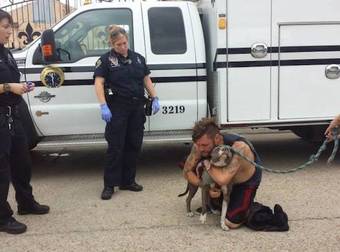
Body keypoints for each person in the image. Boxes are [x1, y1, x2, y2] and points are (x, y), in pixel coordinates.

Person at [94, 25, 159, 200]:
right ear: (112, 44)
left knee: (133, 145)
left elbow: (146, 78)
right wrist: (103, 105)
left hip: (137, 108)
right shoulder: (105, 61)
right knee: (115, 147)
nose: (122, 47)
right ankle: (109, 185)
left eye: (124, 43)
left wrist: (155, 97)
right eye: (118, 45)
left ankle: (128, 181)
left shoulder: (138, 59)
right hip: (117, 109)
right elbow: (99, 83)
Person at [0, 9, 49, 235]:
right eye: (5, 27)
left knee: (23, 162)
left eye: (10, 26)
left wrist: (22, 88)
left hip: (13, 113)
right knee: (2, 170)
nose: (10, 31)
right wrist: (10, 88)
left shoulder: (6, 53)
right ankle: (2, 217)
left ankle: (26, 203)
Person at [183, 118, 262, 229]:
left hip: (244, 182)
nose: (200, 149)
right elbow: (186, 172)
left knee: (231, 222)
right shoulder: (200, 145)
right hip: (221, 175)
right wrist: (204, 185)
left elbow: (222, 179)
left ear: (217, 138)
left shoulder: (239, 147)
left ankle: (248, 206)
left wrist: (207, 163)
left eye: (204, 145)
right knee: (217, 203)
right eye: (198, 144)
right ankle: (218, 200)